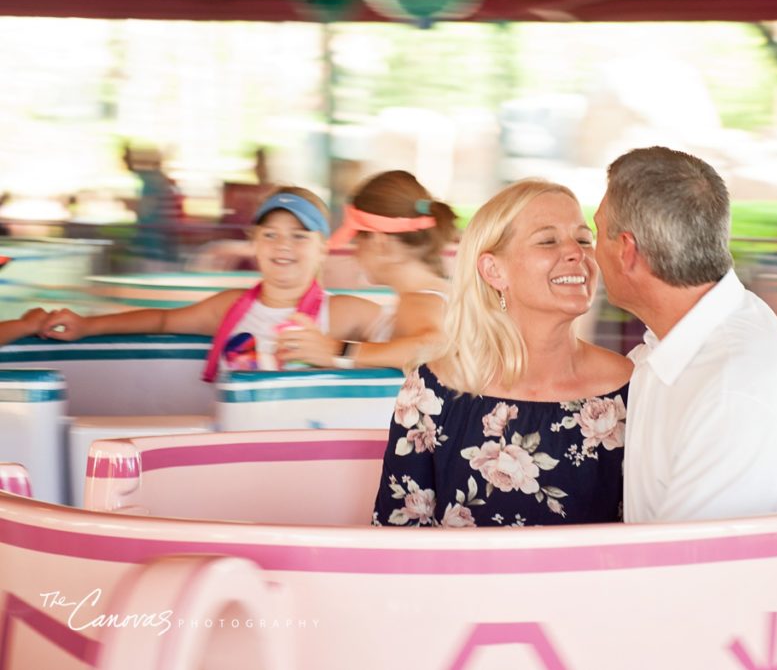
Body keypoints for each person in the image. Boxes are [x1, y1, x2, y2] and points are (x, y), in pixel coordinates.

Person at [593, 146, 777, 523]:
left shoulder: (734, 389)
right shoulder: (682, 341)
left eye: (595, 234)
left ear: (627, 251)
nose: (589, 254)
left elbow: (691, 568)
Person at [372, 179, 632, 528]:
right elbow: (397, 539)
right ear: (494, 270)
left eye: (584, 239)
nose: (577, 252)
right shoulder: (432, 391)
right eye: (548, 240)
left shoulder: (630, 385)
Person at [39, 187, 382, 379]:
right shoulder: (229, 307)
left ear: (323, 248)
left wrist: (339, 352)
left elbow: (419, 344)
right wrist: (86, 325)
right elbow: (161, 320)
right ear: (254, 242)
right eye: (270, 234)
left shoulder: (343, 313)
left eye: (299, 235)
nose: (283, 245)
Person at [328, 170, 456, 369]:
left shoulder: (419, 300)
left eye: (357, 240)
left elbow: (435, 346)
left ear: (380, 242)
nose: (355, 253)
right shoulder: (437, 294)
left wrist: (337, 351)